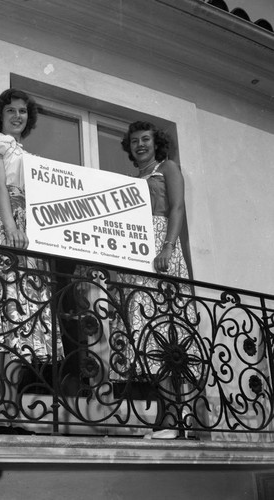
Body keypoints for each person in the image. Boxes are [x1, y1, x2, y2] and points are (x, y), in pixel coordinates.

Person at [0, 88, 64, 434]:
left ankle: (8, 406)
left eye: (22, 111)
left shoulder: (25, 153)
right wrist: (10, 226)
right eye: (11, 111)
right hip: (3, 224)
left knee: (18, 317)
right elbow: (0, 187)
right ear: (0, 115)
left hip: (26, 227)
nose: (17, 116)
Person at [109, 121, 200, 439]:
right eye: (134, 141)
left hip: (161, 248)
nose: (140, 145)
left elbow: (176, 208)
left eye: (145, 139)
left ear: (156, 142)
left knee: (166, 330)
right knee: (148, 333)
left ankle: (177, 418)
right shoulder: (132, 180)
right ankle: (167, 417)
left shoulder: (168, 167)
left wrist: (168, 246)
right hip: (137, 255)